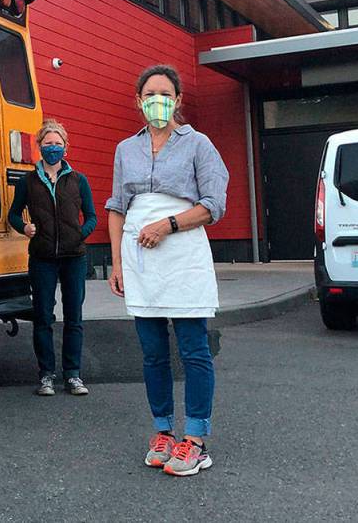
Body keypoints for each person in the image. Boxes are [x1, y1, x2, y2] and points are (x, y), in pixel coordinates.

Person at [105, 64, 229, 477]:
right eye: (149, 94)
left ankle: (195, 438)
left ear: (177, 100)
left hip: (182, 256)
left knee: (193, 350)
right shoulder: (127, 149)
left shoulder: (199, 145)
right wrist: (117, 263)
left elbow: (213, 204)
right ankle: (163, 432)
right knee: (153, 354)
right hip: (140, 261)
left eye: (164, 94)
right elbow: (117, 208)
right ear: (137, 101)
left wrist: (169, 225)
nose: (156, 101)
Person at [7, 119, 97, 396]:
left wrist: (79, 234)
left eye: (58, 144)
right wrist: (25, 227)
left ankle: (72, 375)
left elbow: (93, 217)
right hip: (42, 257)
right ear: (40, 147)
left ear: (66, 147)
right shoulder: (28, 181)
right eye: (48, 144)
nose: (53, 148)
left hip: (74, 257)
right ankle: (46, 374)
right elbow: (13, 214)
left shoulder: (78, 180)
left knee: (74, 317)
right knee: (43, 317)